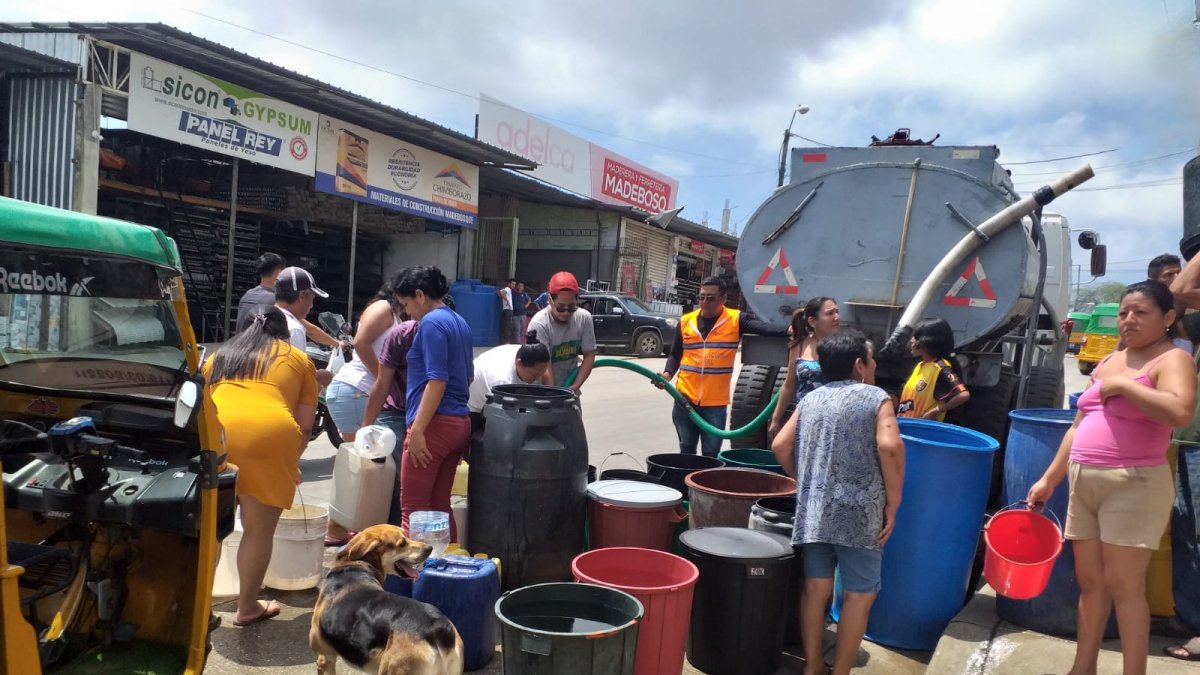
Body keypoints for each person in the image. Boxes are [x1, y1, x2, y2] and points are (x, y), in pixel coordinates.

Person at [1028, 280, 1196, 675]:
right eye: (1123, 313)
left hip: (1134, 483)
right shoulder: (1107, 362)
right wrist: (1049, 479)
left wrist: (1123, 386)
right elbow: (1077, 425)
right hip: (1084, 481)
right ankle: (1082, 667)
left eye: (1141, 313)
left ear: (1168, 317)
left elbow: (1180, 411)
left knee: (1125, 588)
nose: (1128, 321)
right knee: (1091, 584)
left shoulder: (1172, 360)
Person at [770, 331, 904, 675]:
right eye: (870, 360)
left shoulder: (811, 399)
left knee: (816, 591)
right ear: (859, 365)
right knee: (859, 595)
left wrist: (806, 481)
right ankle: (840, 671)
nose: (873, 365)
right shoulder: (876, 398)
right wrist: (894, 501)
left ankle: (812, 667)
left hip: (815, 511)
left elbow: (781, 445)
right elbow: (889, 447)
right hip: (860, 515)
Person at [204, 307, 318, 627]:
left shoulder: (218, 357)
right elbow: (306, 426)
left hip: (218, 436)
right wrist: (289, 460)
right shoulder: (297, 358)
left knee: (211, 530)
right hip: (270, 435)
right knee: (258, 530)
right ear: (283, 334)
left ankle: (199, 611)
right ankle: (247, 607)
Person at [658, 276, 786, 457]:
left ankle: (702, 485)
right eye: (701, 297)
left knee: (710, 455)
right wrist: (667, 374)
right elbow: (675, 354)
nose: (704, 302)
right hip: (684, 400)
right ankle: (685, 484)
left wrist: (790, 330)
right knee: (686, 450)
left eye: (710, 298)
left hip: (714, 406)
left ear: (723, 299)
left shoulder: (735, 320)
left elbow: (763, 328)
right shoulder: (686, 321)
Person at [393, 266, 473, 541]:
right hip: (459, 423)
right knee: (439, 506)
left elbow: (437, 380)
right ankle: (447, 573)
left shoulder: (431, 323)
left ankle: (413, 579)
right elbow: (468, 376)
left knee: (413, 510)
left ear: (420, 295)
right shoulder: (459, 322)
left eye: (406, 304)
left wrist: (417, 431)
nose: (406, 313)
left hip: (433, 426)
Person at [361, 313, 419, 528]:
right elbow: (382, 384)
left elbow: (382, 383)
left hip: (414, 416)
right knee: (403, 484)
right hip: (401, 415)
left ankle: (397, 531)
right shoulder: (403, 335)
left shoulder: (403, 333)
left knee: (403, 484)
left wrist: (365, 425)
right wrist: (366, 427)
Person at [768, 297, 841, 441]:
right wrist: (776, 418)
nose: (836, 317)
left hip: (835, 420)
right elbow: (789, 386)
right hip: (805, 417)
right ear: (813, 321)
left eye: (837, 312)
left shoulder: (846, 346)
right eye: (830, 313)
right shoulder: (799, 347)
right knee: (781, 448)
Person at [237, 253, 344, 350]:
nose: (311, 305)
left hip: (241, 353)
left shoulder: (247, 295)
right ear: (279, 275)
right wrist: (337, 343)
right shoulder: (277, 303)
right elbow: (310, 330)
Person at [528, 271, 598, 394]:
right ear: (550, 300)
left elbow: (589, 355)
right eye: (561, 307)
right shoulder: (540, 324)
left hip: (570, 391)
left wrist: (576, 385)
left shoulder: (584, 318)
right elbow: (545, 366)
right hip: (543, 393)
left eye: (571, 307)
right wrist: (556, 396)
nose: (566, 312)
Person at [468, 335, 552, 430]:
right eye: (533, 375)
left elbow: (544, 372)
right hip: (474, 407)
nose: (537, 379)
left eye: (540, 374)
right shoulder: (502, 381)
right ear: (519, 363)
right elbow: (505, 419)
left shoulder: (528, 352)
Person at [896, 317, 970, 421]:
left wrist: (937, 410)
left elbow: (963, 394)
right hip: (907, 428)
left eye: (916, 337)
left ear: (928, 342)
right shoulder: (921, 365)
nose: (912, 341)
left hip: (924, 431)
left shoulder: (940, 368)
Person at [275, 266, 334, 388]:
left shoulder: (261, 317)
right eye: (312, 299)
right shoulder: (294, 328)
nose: (311, 306)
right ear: (302, 296)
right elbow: (295, 379)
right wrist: (319, 378)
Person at [496, 277, 517, 344]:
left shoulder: (507, 289)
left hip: (506, 310)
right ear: (509, 284)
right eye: (512, 284)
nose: (513, 285)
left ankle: (502, 342)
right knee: (507, 327)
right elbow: (502, 293)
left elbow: (498, 292)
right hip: (508, 310)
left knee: (504, 326)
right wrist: (507, 300)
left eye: (514, 284)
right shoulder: (508, 289)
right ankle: (505, 342)